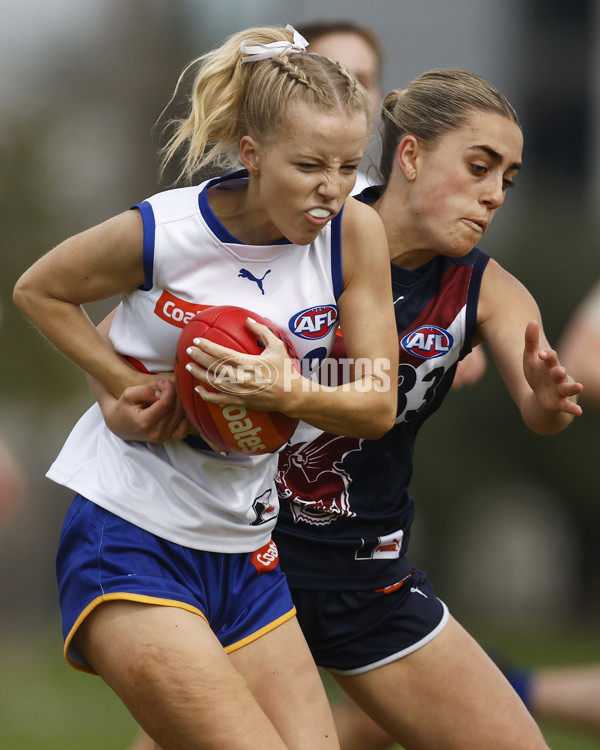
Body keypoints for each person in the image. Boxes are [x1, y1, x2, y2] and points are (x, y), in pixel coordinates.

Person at [12, 24, 399, 750]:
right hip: (130, 531)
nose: (332, 189)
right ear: (252, 155)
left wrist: (284, 391)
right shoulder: (168, 230)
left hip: (246, 548)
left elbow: (377, 401)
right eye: (310, 164)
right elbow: (41, 290)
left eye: (349, 166)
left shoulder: (355, 234)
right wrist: (124, 383)